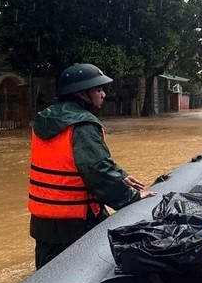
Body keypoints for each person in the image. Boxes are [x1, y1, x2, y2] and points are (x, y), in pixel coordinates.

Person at [28, 63, 155, 269]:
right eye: (98, 89)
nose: (103, 94)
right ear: (81, 93)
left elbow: (72, 160)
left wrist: (120, 175)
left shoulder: (46, 119)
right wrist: (131, 197)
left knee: (47, 273)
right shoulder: (82, 124)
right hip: (77, 220)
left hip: (43, 221)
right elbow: (97, 171)